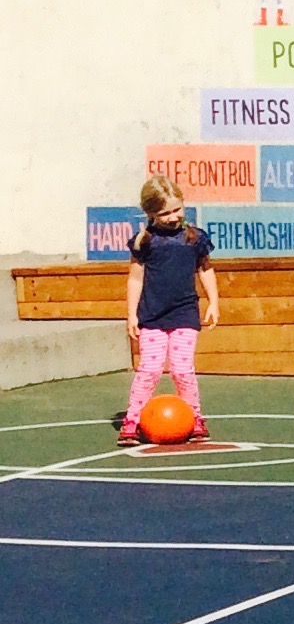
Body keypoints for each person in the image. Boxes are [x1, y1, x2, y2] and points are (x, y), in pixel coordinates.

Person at [118, 176, 216, 444]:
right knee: (149, 369)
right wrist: (132, 314)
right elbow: (135, 278)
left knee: (182, 369)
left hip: (184, 313)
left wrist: (214, 302)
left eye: (177, 210)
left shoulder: (195, 238)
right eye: (164, 213)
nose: (173, 217)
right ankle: (132, 421)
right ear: (150, 213)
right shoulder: (145, 241)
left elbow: (205, 269)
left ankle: (195, 417)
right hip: (152, 316)